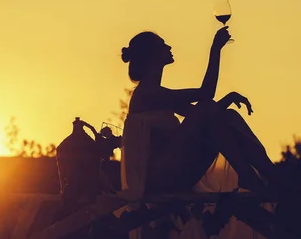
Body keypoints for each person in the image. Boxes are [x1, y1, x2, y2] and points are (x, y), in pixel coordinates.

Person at [120, 26, 280, 197]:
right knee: (208, 107)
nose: (169, 47)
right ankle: (256, 175)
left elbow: (207, 116)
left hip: (175, 172)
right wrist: (215, 49)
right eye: (163, 45)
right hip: (159, 182)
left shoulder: (159, 94)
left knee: (228, 116)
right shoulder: (146, 94)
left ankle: (268, 173)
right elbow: (206, 96)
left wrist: (228, 98)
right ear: (151, 56)